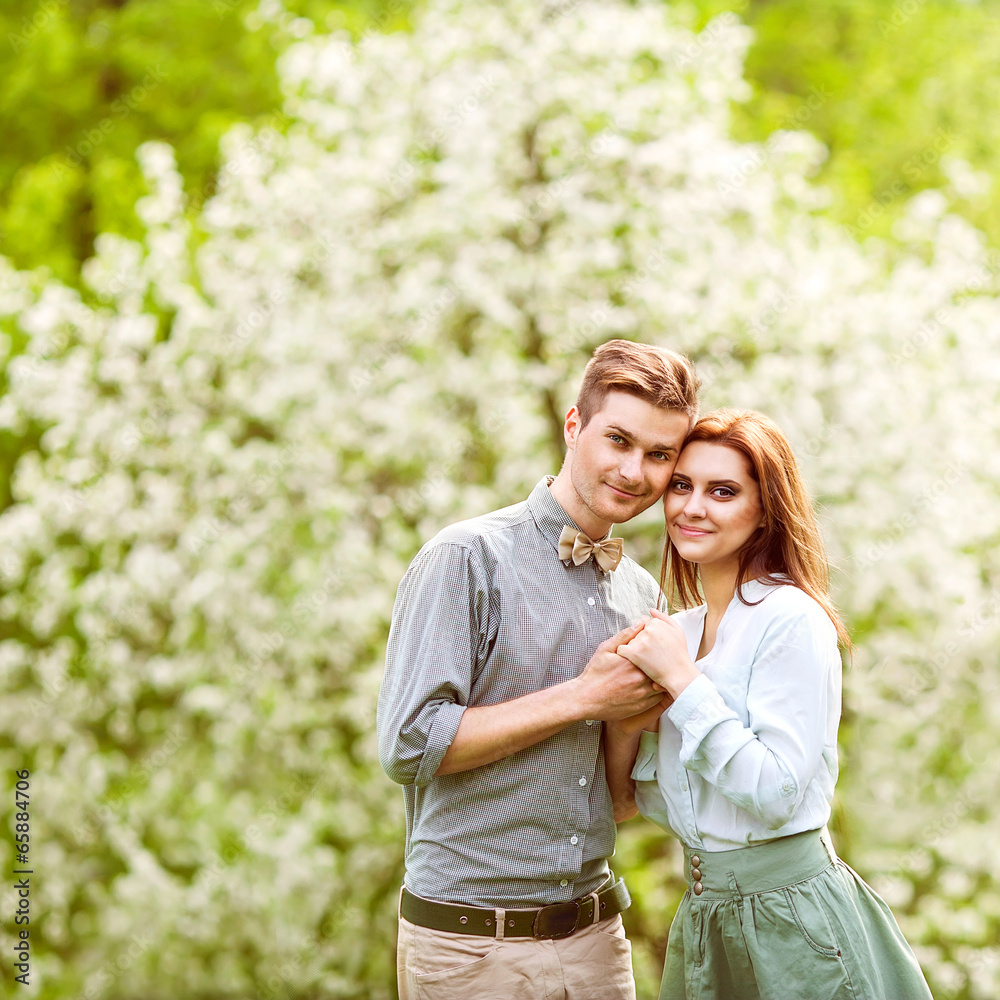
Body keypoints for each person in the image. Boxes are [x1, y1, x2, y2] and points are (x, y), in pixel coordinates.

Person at [377, 339, 699, 1000]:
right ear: (574, 425)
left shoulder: (642, 595)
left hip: (596, 941)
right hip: (469, 948)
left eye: (658, 454)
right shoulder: (466, 557)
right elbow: (409, 745)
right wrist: (583, 697)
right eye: (618, 440)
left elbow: (617, 800)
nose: (633, 470)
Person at [605, 408, 934, 1000]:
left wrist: (683, 684)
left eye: (723, 491)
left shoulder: (791, 619)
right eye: (681, 485)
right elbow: (633, 802)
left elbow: (776, 793)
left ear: (765, 510)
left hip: (793, 922)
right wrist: (626, 723)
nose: (692, 507)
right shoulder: (677, 633)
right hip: (705, 920)